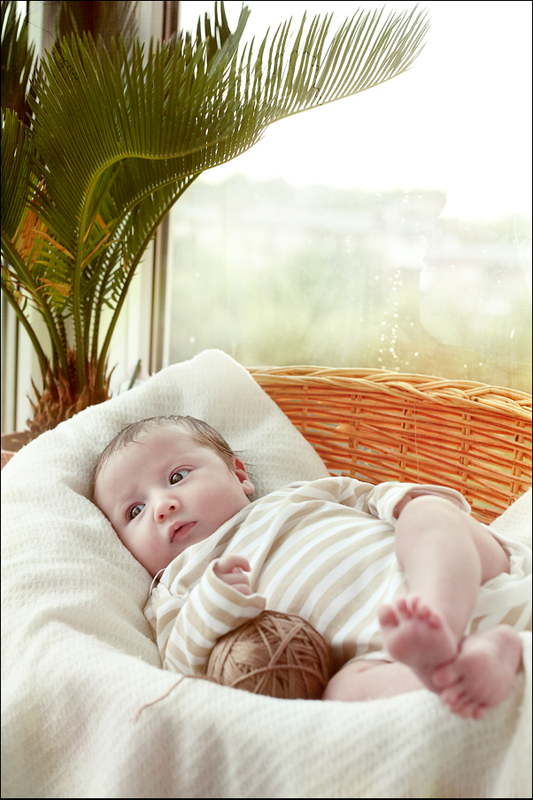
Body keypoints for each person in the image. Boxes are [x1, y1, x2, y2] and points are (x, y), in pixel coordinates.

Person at [92, 415, 530, 719]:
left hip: (465, 580)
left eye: (177, 477)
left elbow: (368, 495)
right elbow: (180, 667)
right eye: (134, 511)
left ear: (239, 475)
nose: (163, 505)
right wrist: (211, 603)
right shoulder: (174, 586)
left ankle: (442, 622)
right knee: (341, 694)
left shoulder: (296, 495)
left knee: (427, 513)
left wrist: (398, 502)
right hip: (384, 654)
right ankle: (458, 669)